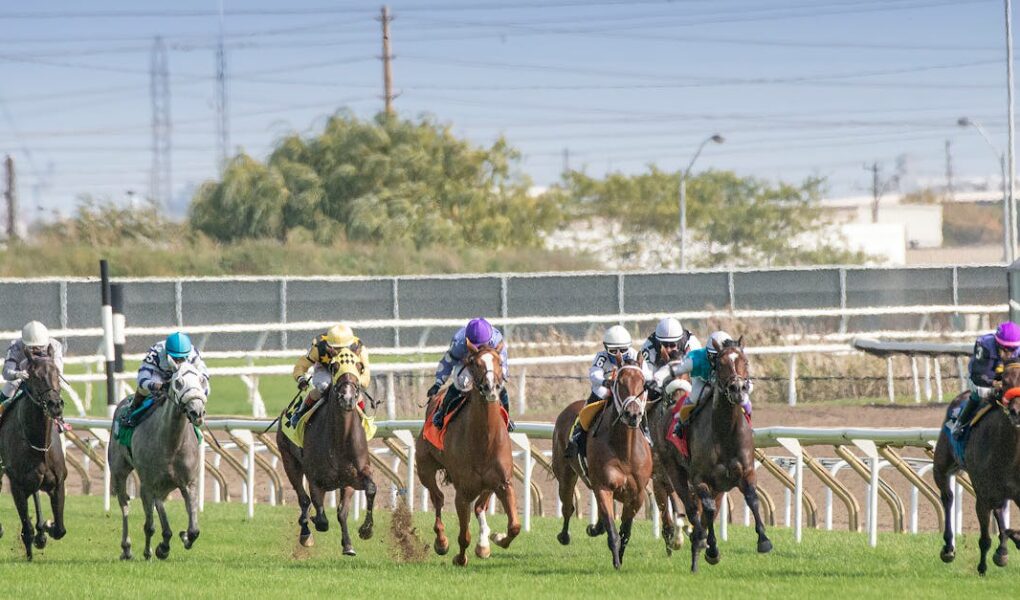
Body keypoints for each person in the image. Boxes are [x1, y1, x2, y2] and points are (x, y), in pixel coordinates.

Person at [564, 324, 642, 459]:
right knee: (598, 395)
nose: (619, 354)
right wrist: (605, 382)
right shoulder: (601, 357)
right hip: (606, 387)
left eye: (623, 350)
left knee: (639, 403)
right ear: (606, 348)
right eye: (613, 350)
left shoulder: (635, 355)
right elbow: (594, 373)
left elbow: (643, 372)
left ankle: (646, 431)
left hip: (626, 391)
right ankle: (578, 434)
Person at [427, 317, 512, 431]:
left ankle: (507, 419)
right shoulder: (459, 342)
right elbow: (447, 362)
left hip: (488, 366)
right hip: (467, 363)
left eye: (481, 344)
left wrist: (502, 378)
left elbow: (503, 362)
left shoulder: (497, 339)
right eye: (475, 345)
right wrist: (438, 383)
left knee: (500, 387)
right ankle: (442, 413)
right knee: (461, 383)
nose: (478, 348)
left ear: (489, 339)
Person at [289, 323, 371, 427]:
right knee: (324, 387)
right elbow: (301, 365)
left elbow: (366, 370)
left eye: (344, 347)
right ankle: (300, 412)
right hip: (325, 369)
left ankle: (364, 418)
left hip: (347, 369)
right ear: (328, 345)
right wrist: (301, 378)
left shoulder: (358, 347)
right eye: (336, 348)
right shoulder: (318, 346)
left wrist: (361, 382)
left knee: (354, 391)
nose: (341, 351)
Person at [665, 330, 752, 425]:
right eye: (714, 356)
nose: (717, 360)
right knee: (695, 397)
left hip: (726, 379)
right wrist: (666, 375)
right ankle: (679, 425)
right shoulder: (694, 360)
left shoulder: (733, 357)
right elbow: (677, 370)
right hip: (702, 379)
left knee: (745, 396)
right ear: (708, 354)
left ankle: (749, 423)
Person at [123, 331, 209, 427]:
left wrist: (198, 396)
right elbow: (142, 379)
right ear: (167, 352)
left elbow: (205, 377)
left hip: (183, 378)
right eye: (175, 358)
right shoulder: (156, 353)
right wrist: (155, 385)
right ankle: (133, 409)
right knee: (144, 390)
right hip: (160, 376)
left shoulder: (193, 355)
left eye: (182, 358)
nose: (178, 361)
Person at [952, 321, 1020, 438]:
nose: (1009, 354)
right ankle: (960, 423)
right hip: (982, 378)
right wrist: (994, 383)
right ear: (997, 343)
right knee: (978, 394)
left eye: (1012, 349)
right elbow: (979, 375)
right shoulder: (985, 346)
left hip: (1008, 380)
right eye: (1005, 349)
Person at [0, 321, 64, 417]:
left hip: (43, 380)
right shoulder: (16, 346)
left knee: (55, 394)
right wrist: (17, 374)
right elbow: (6, 372)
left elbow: (57, 371)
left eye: (40, 346)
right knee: (11, 385)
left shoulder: (55, 345)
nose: (36, 349)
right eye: (32, 347)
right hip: (21, 379)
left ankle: (58, 421)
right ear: (24, 342)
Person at [640, 317, 701, 392]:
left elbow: (698, 374)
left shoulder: (692, 343)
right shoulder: (648, 347)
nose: (668, 350)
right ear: (658, 342)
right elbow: (648, 377)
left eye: (672, 345)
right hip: (658, 375)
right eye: (664, 345)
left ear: (679, 342)